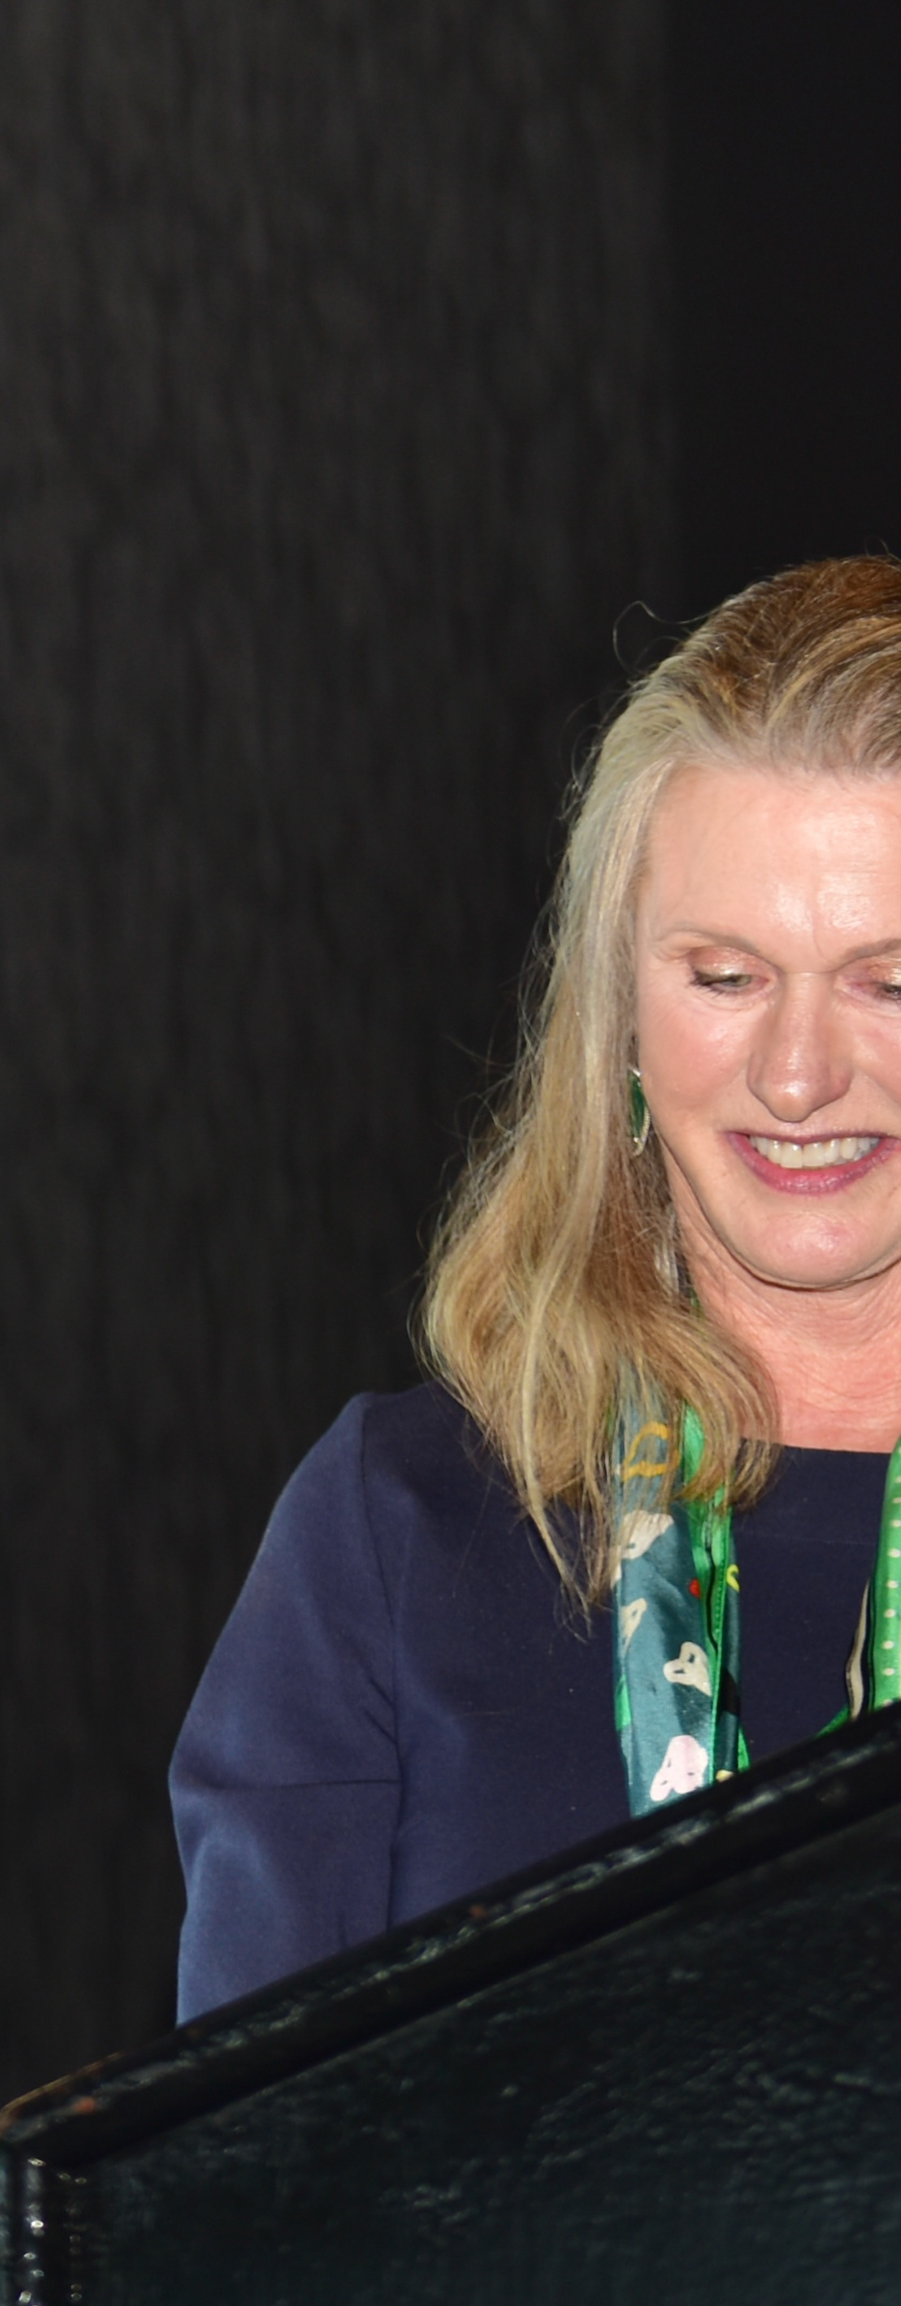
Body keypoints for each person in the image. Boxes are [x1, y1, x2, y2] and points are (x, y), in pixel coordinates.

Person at [177, 556, 901, 2019]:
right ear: (617, 1019)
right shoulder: (394, 1532)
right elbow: (258, 2152)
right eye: (725, 977)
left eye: (891, 982)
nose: (798, 1075)